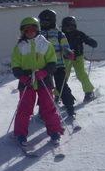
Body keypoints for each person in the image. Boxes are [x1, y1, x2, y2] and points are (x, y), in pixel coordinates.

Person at [11, 17, 64, 146]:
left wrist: (44, 72)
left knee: (48, 106)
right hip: (27, 80)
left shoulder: (45, 44)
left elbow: (52, 63)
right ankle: (20, 134)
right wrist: (23, 77)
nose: (30, 32)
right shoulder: (19, 47)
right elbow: (15, 66)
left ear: (37, 30)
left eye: (33, 29)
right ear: (23, 32)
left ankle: (55, 131)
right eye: (27, 30)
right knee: (25, 108)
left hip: (43, 79)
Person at [38, 9, 76, 118]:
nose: (44, 24)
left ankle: (70, 107)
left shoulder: (59, 34)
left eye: (47, 21)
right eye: (42, 22)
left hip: (58, 65)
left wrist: (68, 53)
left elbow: (65, 47)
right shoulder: (39, 35)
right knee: (44, 89)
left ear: (53, 21)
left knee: (62, 86)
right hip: (44, 67)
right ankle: (43, 110)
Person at [61, 16, 98, 101]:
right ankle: (58, 94)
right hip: (66, 57)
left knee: (81, 74)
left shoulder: (79, 34)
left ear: (75, 26)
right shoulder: (61, 35)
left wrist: (92, 42)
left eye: (71, 26)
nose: (69, 29)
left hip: (78, 57)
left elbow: (86, 39)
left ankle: (89, 91)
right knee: (63, 76)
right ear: (63, 27)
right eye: (67, 26)